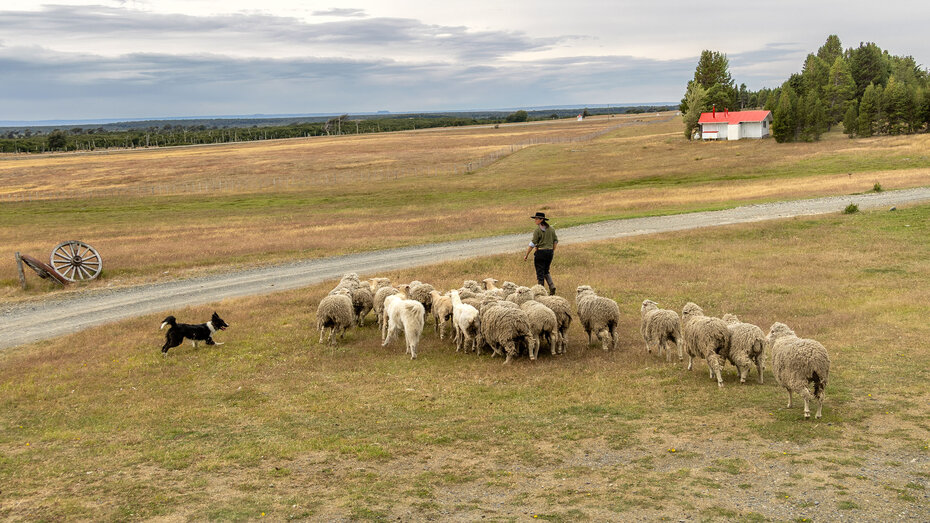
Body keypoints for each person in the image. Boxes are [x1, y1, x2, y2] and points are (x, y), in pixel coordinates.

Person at [523, 211, 558, 295]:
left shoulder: (538, 230)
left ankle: (541, 292)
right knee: (546, 270)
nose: (535, 220)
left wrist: (526, 255)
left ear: (541, 220)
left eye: (537, 219)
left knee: (540, 273)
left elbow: (532, 244)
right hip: (549, 252)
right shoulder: (552, 229)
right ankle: (551, 285)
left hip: (540, 252)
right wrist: (552, 250)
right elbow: (555, 241)